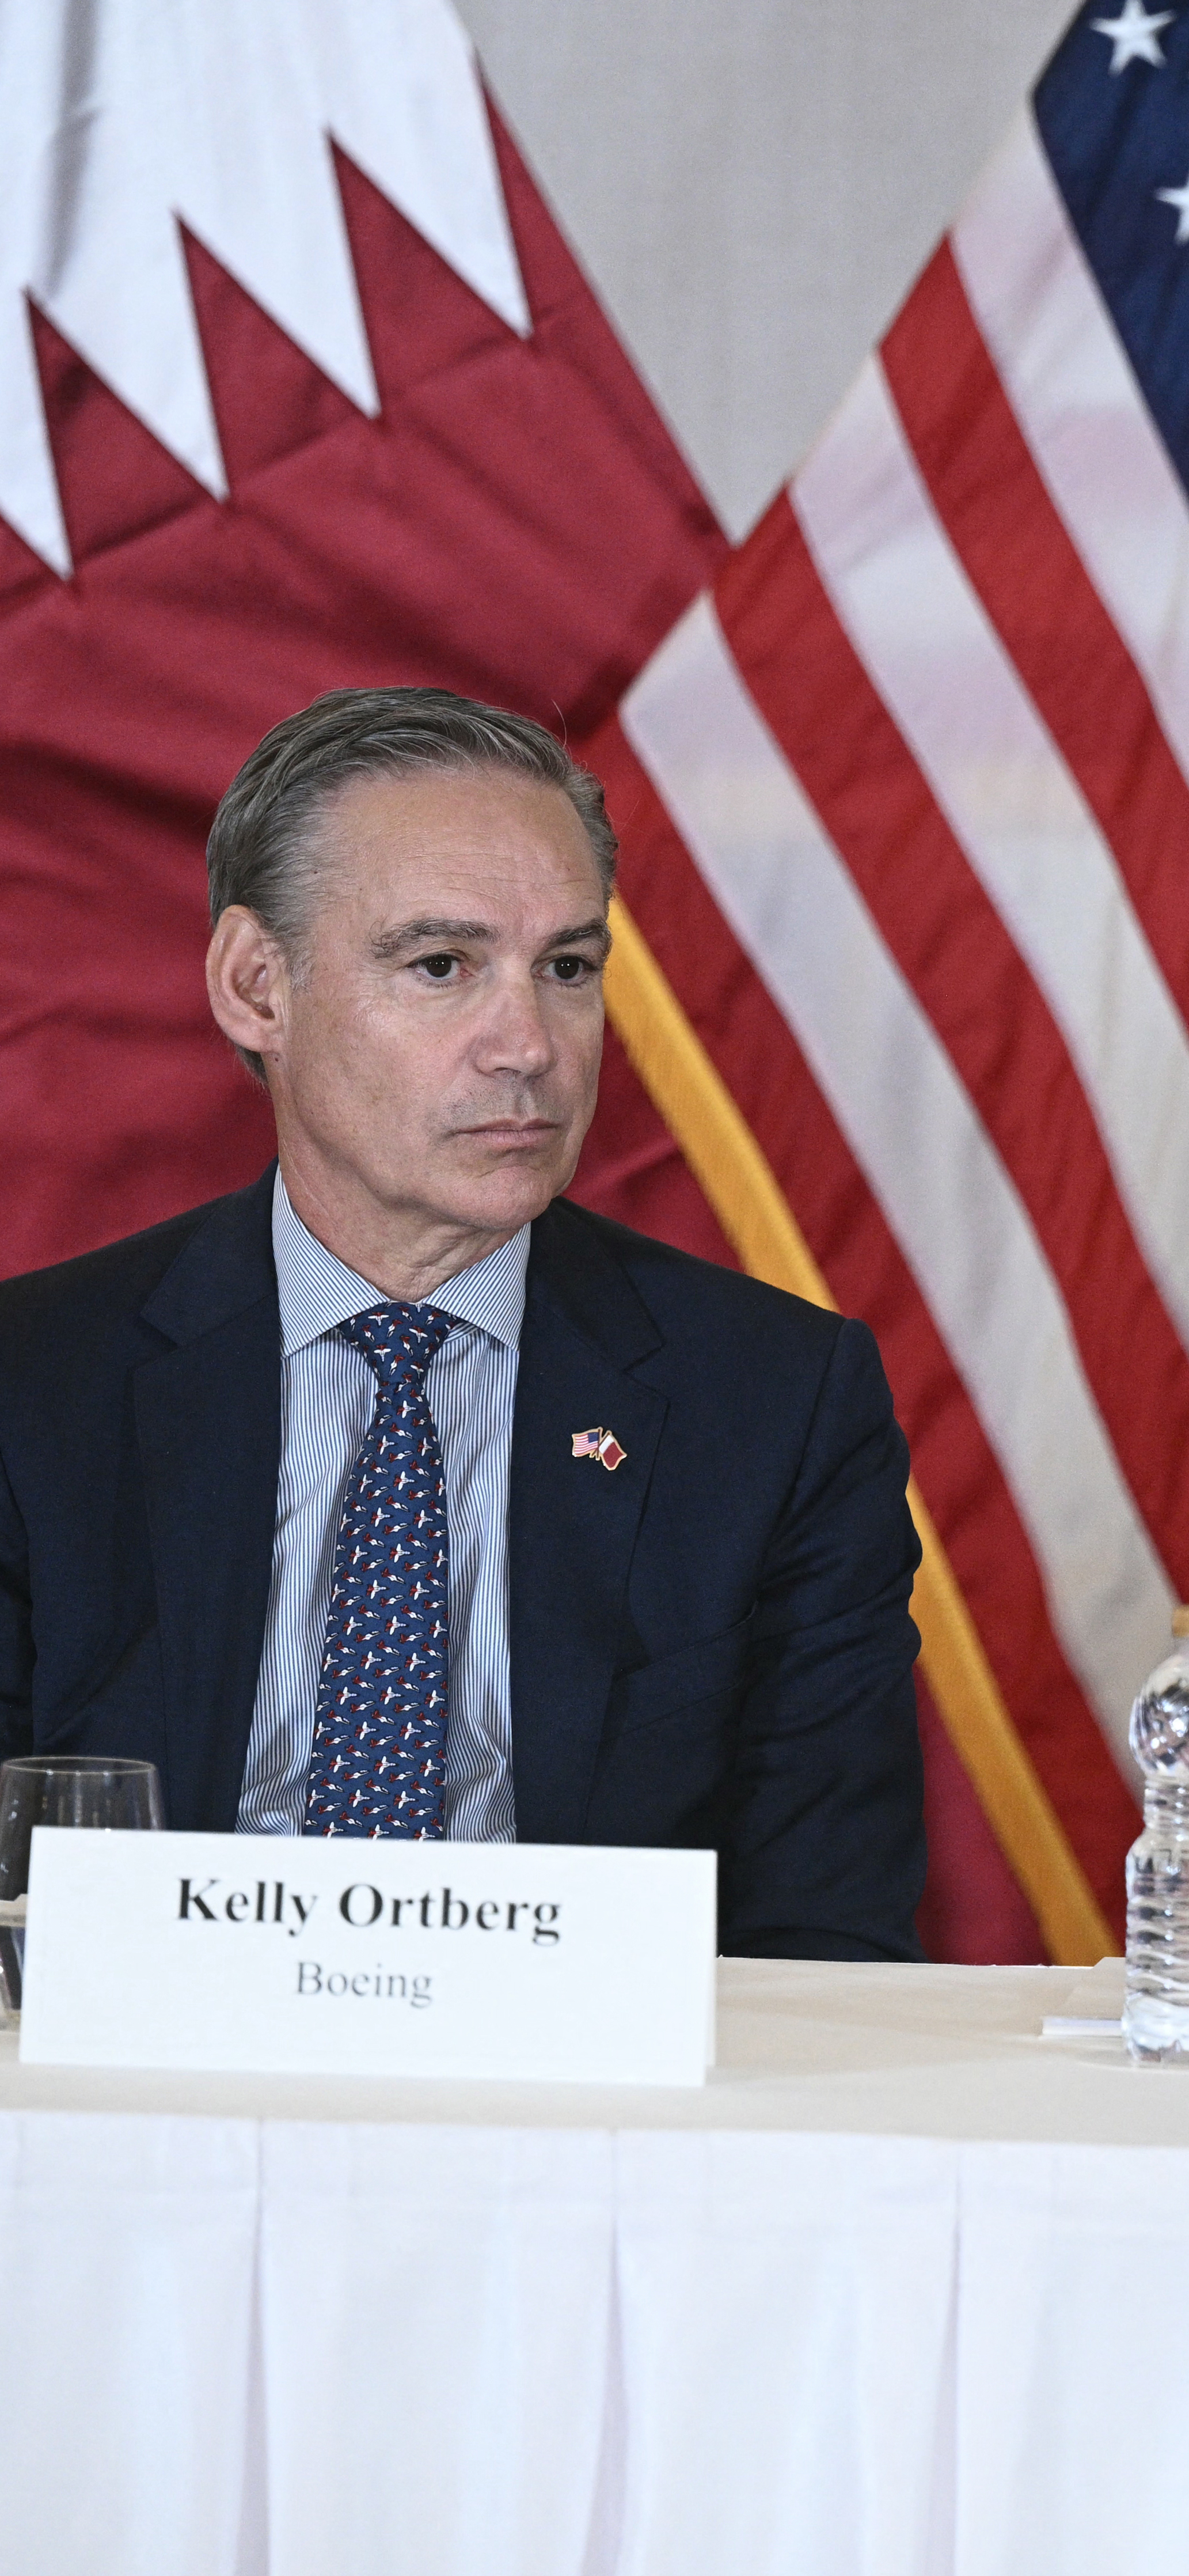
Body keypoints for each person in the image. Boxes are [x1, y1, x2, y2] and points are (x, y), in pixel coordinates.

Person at [0, 688, 925, 1959]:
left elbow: (829, 1941)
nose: (530, 1045)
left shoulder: (774, 1405)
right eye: (442, 966)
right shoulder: (33, 1388)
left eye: (567, 968)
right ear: (256, 987)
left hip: (590, 2138)